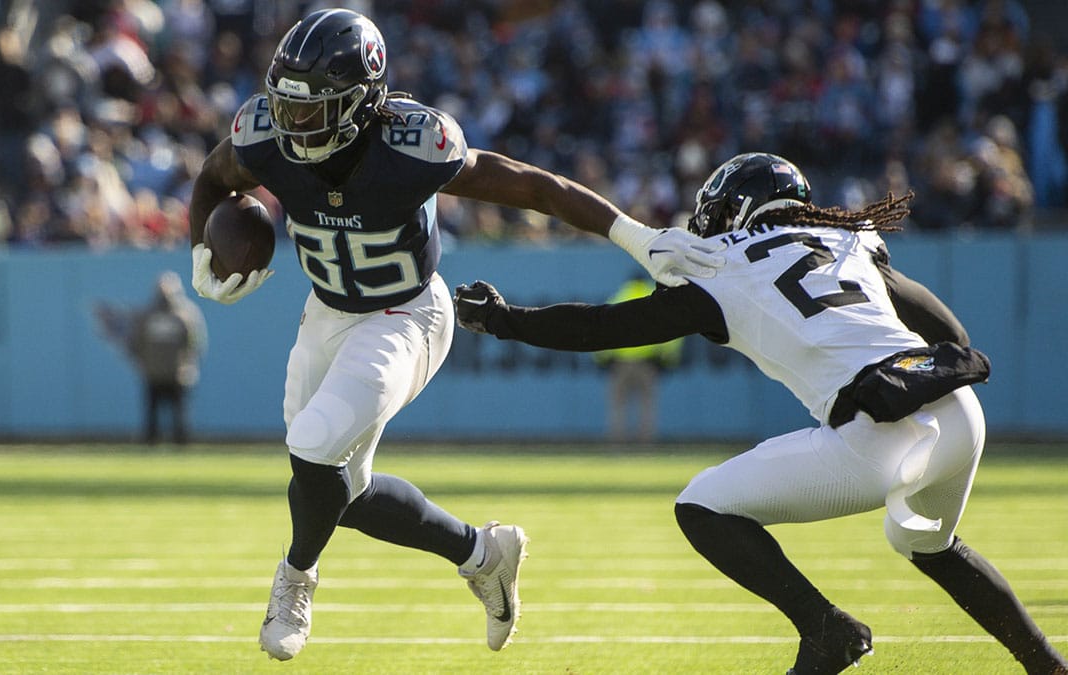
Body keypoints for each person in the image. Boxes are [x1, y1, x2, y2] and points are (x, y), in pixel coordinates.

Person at [185, 7, 724, 661]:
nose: (294, 123)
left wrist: (637, 237)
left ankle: (295, 577)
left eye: (313, 109)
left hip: (407, 315)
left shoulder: (413, 145)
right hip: (327, 313)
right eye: (288, 106)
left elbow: (535, 187)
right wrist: (198, 250)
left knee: (314, 443)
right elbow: (215, 177)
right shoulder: (263, 132)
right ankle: (482, 552)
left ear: (362, 102)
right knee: (337, 492)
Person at [454, 152, 1068, 675]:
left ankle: (825, 628)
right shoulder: (848, 238)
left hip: (875, 435)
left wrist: (504, 321)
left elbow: (605, 327)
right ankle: (1048, 666)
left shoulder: (721, 265)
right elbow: (949, 331)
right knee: (927, 543)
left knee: (701, 506)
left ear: (737, 210)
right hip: (959, 412)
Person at [95, 271, 207, 445]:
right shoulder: (184, 314)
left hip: (160, 372)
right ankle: (173, 442)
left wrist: (143, 362)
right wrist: (188, 364)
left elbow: (135, 344)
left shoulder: (150, 315)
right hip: (173, 372)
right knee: (170, 415)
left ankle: (159, 441)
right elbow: (194, 344)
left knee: (164, 415)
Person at [594, 273, 683, 442]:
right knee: (647, 405)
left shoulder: (619, 297)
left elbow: (602, 330)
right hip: (647, 364)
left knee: (618, 405)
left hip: (620, 363)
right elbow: (672, 331)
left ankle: (617, 442)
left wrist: (602, 359)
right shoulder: (655, 298)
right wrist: (667, 359)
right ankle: (645, 443)